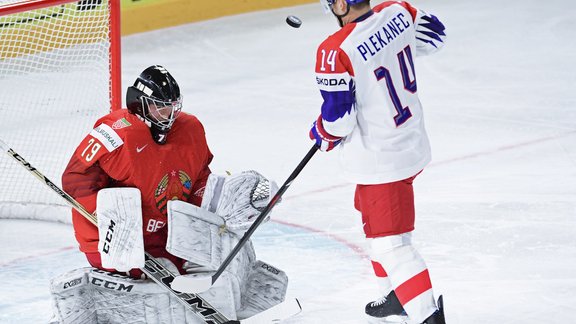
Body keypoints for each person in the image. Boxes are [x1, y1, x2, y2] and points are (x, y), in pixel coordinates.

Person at [58, 65, 287, 323]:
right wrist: (109, 219)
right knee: (160, 275)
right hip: (114, 241)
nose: (167, 114)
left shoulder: (189, 129)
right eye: (159, 106)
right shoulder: (116, 132)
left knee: (218, 252)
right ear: (139, 104)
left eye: (171, 106)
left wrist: (229, 200)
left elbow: (198, 180)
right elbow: (75, 176)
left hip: (163, 234)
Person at [309, 1, 447, 323]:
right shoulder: (399, 11)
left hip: (381, 160)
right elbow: (436, 37)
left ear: (341, 4)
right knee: (378, 230)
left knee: (389, 246)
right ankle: (397, 295)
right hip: (410, 141)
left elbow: (338, 122)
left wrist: (320, 131)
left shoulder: (335, 50)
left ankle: (427, 315)